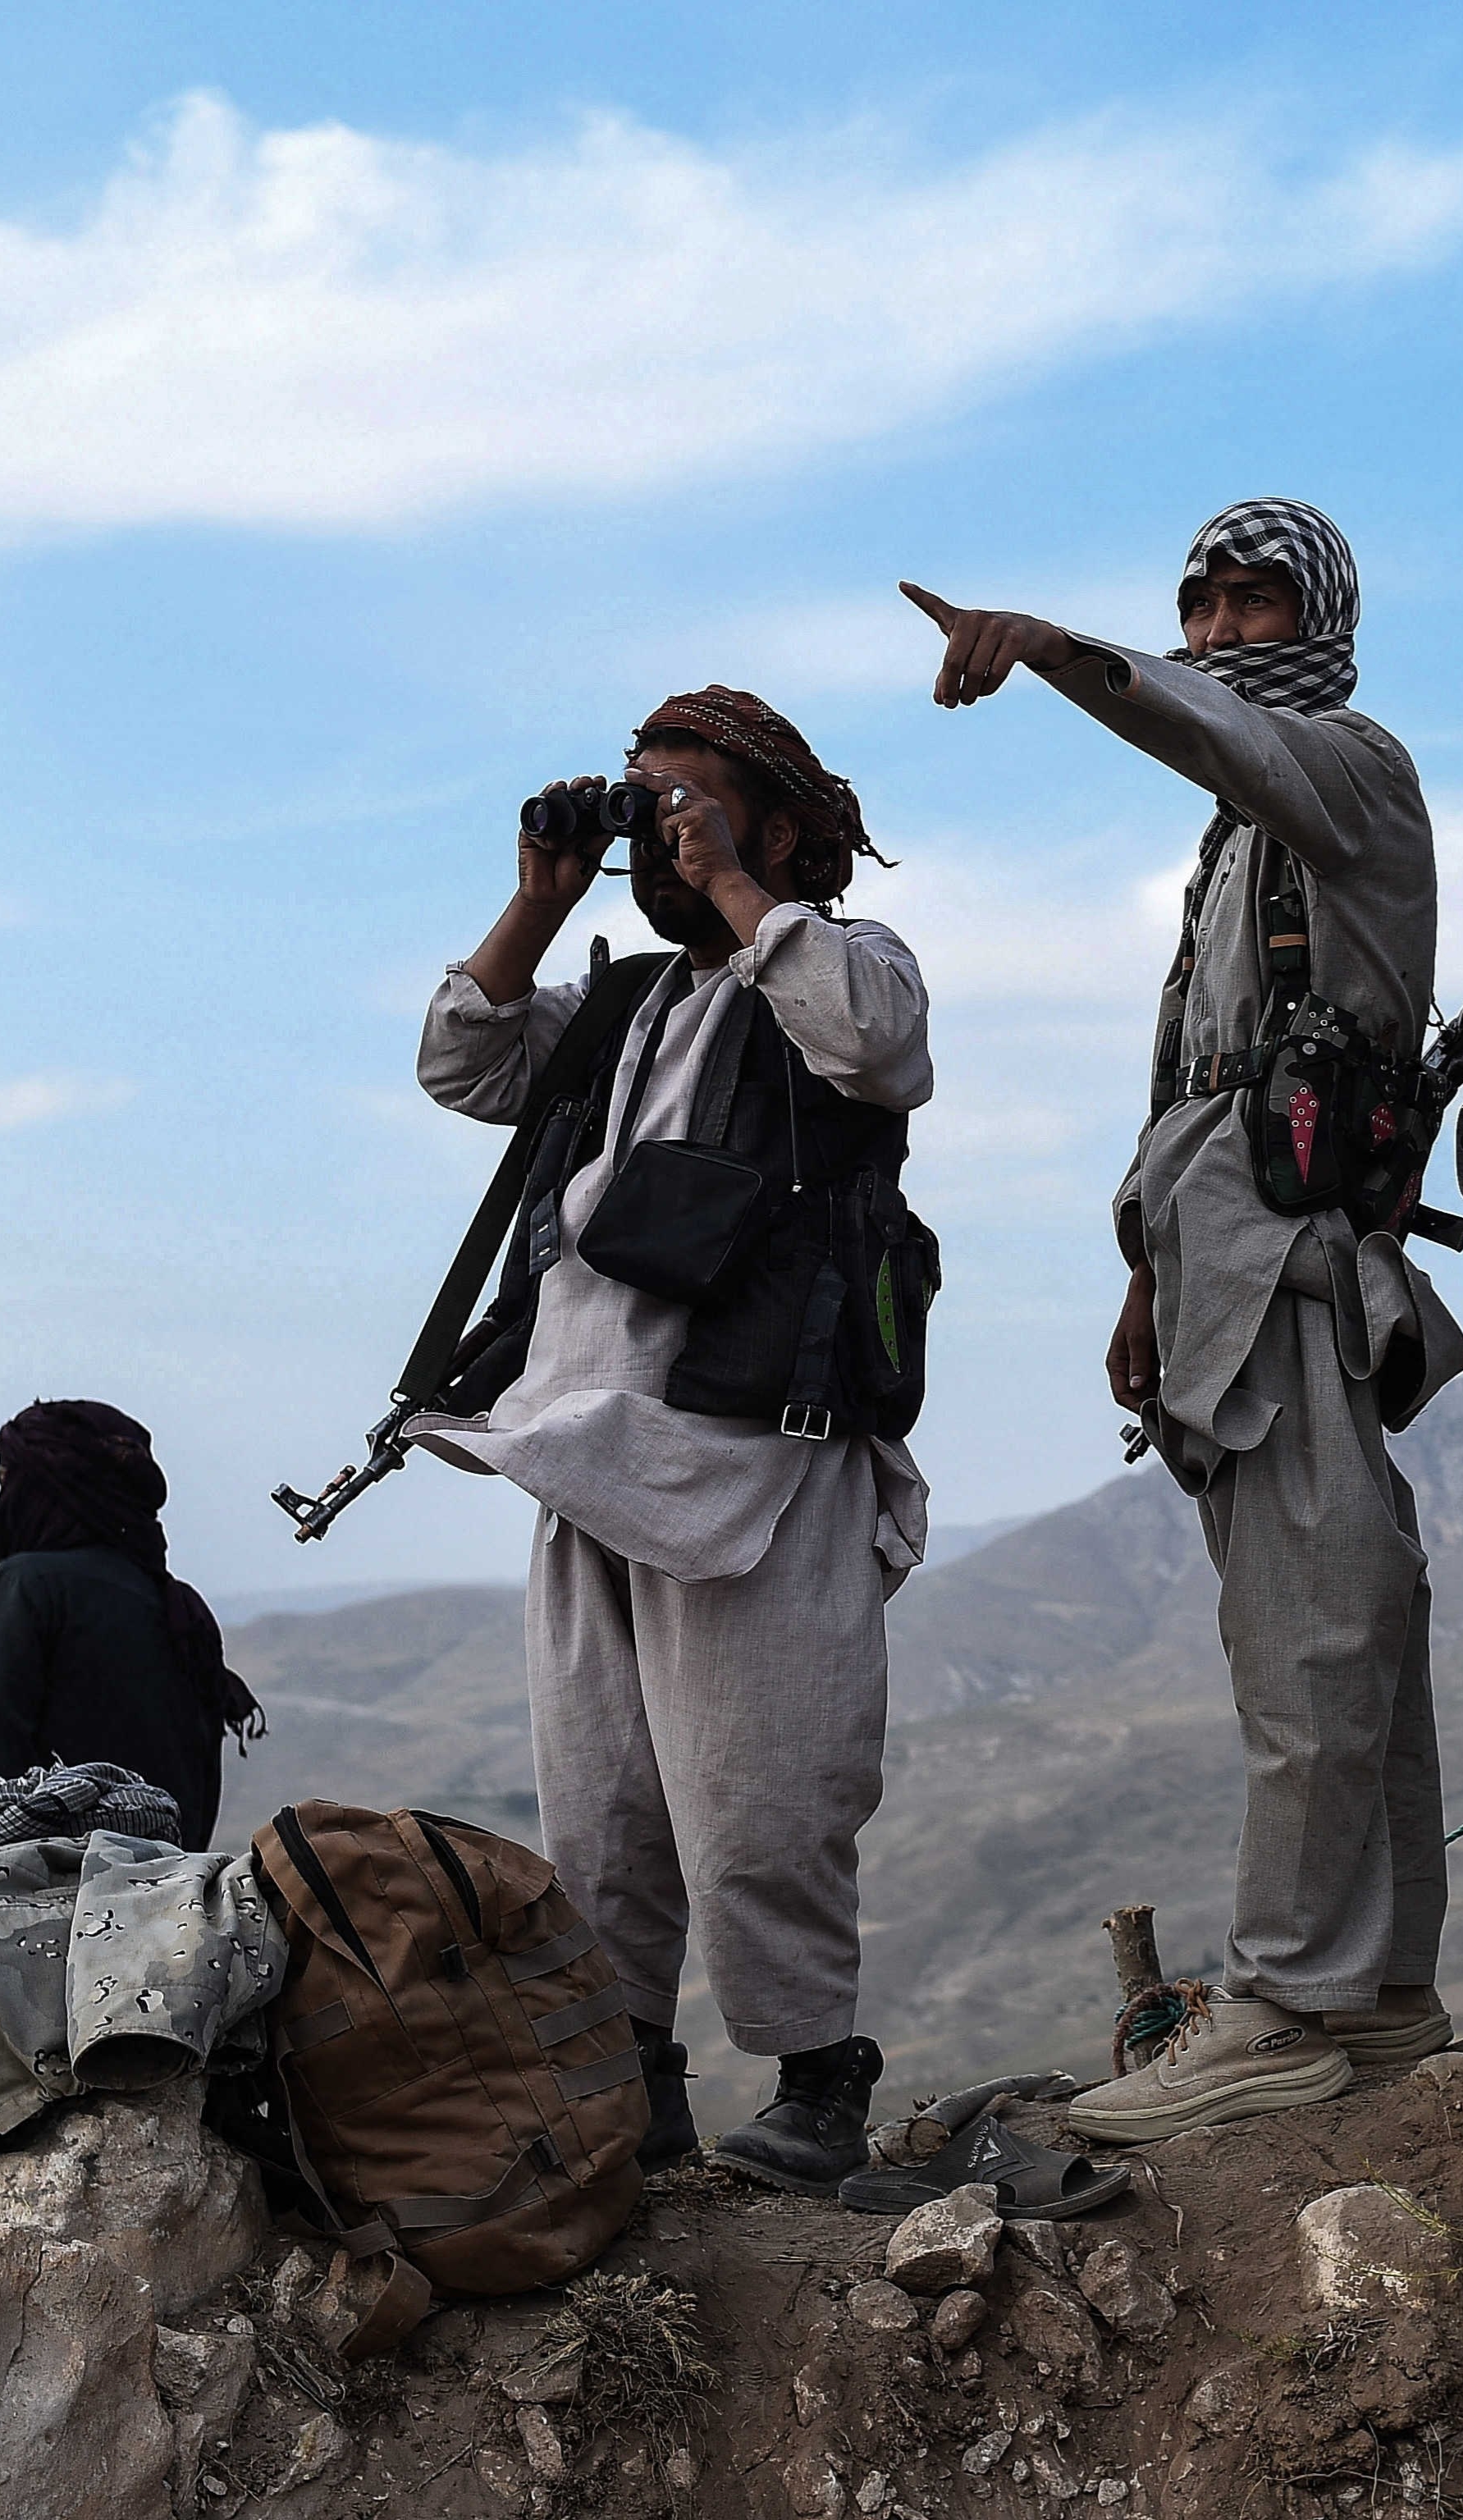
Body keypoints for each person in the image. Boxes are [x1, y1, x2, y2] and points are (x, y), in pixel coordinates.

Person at [905, 500, 1463, 2141]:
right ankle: (1380, 1998)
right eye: (1199, 604)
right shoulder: (1236, 842)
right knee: (1332, 1616)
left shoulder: (1346, 767)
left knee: (1318, 1626)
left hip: (1297, 1275)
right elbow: (1202, 1078)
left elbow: (1214, 727)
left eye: (1255, 600)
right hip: (1221, 1275)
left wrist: (1066, 653)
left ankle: (1290, 1998)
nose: (1222, 629)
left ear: (1324, 613)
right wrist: (1149, 1271)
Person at [408, 686, 934, 2193]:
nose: (659, 829)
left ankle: (821, 2081)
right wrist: (537, 898)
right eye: (643, 801)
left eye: (684, 801)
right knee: (603, 1803)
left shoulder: (839, 963)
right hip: (581, 1450)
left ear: (773, 821)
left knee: (763, 1788)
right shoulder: (627, 1006)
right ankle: (634, 2082)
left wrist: (732, 887)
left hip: (753, 1449)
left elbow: (880, 1046)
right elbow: (465, 1065)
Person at [0, 1399, 263, 1850]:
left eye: (6, 1482)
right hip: (167, 1894)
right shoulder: (182, 1608)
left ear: (46, 1491)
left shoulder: (28, 1585)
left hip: (55, 1896)